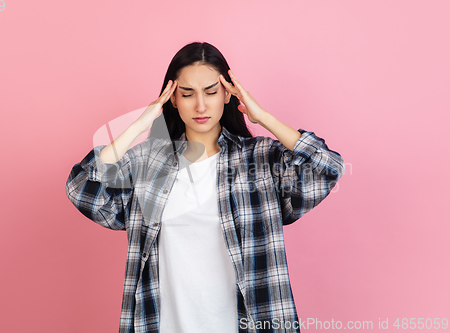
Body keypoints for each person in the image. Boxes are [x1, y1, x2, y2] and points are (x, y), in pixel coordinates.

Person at [65, 42, 345, 333]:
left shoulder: (260, 159)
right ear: (172, 99)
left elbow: (327, 167)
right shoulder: (146, 163)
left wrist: (263, 117)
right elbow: (82, 187)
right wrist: (140, 125)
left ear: (227, 94)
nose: (200, 105)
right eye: (187, 94)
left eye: (211, 92)